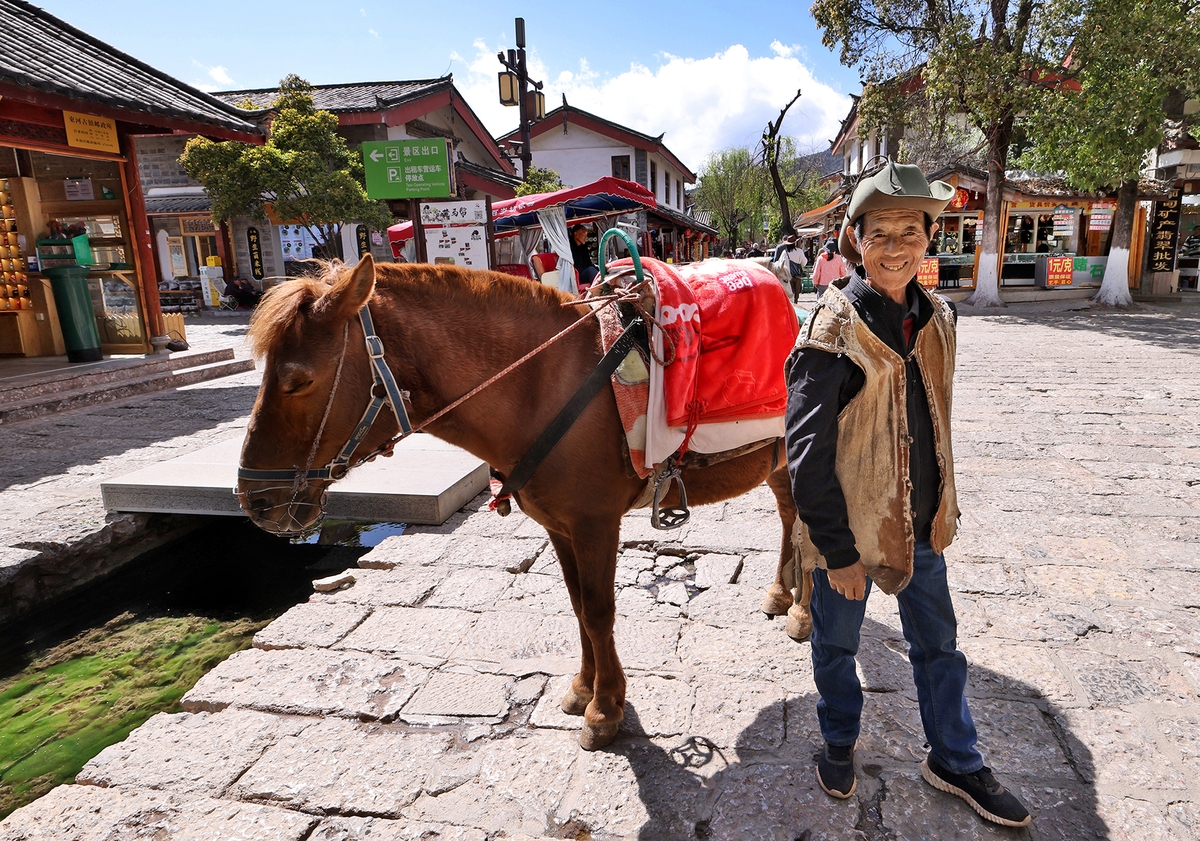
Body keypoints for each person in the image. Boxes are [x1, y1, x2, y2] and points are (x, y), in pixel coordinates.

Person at [784, 161, 1031, 828]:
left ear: (930, 239)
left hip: (920, 526)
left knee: (940, 647)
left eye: (910, 233)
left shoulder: (940, 318)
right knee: (837, 647)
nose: (896, 248)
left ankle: (955, 757)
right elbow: (805, 458)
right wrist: (836, 553)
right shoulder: (831, 331)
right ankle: (838, 741)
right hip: (850, 537)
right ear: (855, 239)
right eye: (880, 233)